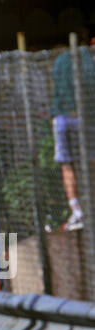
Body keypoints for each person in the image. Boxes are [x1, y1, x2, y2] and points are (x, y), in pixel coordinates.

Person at [50, 23, 95, 231]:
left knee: (67, 164)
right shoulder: (87, 58)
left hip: (60, 117)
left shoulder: (59, 61)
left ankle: (77, 210)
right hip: (82, 116)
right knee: (92, 160)